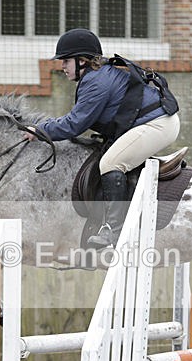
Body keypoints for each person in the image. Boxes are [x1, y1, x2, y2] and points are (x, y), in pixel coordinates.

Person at [23, 28, 180, 249]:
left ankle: (114, 232)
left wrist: (40, 130)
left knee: (111, 163)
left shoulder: (96, 81)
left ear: (83, 61)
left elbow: (75, 124)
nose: (62, 67)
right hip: (152, 122)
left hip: (157, 125)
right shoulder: (97, 75)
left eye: (66, 61)